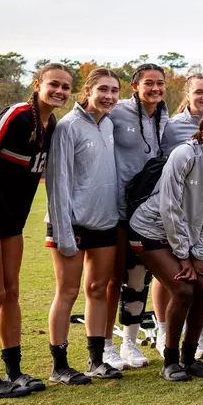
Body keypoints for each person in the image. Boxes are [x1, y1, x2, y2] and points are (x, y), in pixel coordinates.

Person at [0, 63, 70, 398]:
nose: (60, 91)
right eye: (54, 85)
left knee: (12, 294)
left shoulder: (51, 124)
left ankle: (14, 371)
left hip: (11, 222)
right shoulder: (17, 115)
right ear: (38, 84)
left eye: (65, 86)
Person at [129, 111, 203, 381]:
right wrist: (185, 256)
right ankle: (169, 361)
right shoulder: (184, 154)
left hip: (187, 235)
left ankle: (189, 359)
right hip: (150, 228)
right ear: (202, 134)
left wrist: (199, 254)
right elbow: (170, 207)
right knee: (182, 288)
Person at [45, 68, 124, 385]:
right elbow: (57, 182)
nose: (109, 96)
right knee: (67, 292)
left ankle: (96, 361)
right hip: (71, 224)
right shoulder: (68, 127)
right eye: (103, 89)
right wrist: (63, 232)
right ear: (87, 90)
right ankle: (59, 365)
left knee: (97, 291)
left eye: (115, 91)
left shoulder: (109, 124)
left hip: (104, 223)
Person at [106, 63, 169, 370]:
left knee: (138, 278)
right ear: (135, 86)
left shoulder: (165, 117)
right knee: (111, 279)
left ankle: (129, 343)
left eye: (160, 83)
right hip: (115, 208)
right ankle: (105, 346)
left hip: (146, 212)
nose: (155, 88)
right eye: (149, 83)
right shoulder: (116, 112)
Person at [160, 73, 203, 359]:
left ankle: (199, 334)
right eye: (199, 92)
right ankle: (163, 330)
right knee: (170, 277)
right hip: (172, 214)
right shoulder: (171, 127)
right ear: (188, 93)